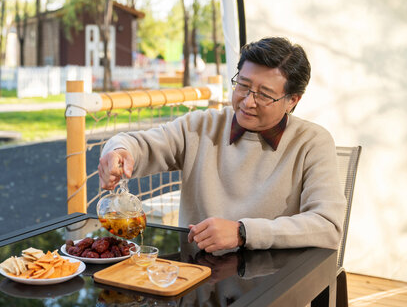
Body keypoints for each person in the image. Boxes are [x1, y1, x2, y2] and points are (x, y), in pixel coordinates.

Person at [98, 37, 346, 252]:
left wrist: (243, 233)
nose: (248, 102)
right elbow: (141, 145)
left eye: (264, 95)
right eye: (243, 86)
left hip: (271, 278)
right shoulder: (201, 126)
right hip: (195, 273)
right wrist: (119, 151)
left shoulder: (312, 142)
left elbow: (327, 226)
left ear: (292, 100)